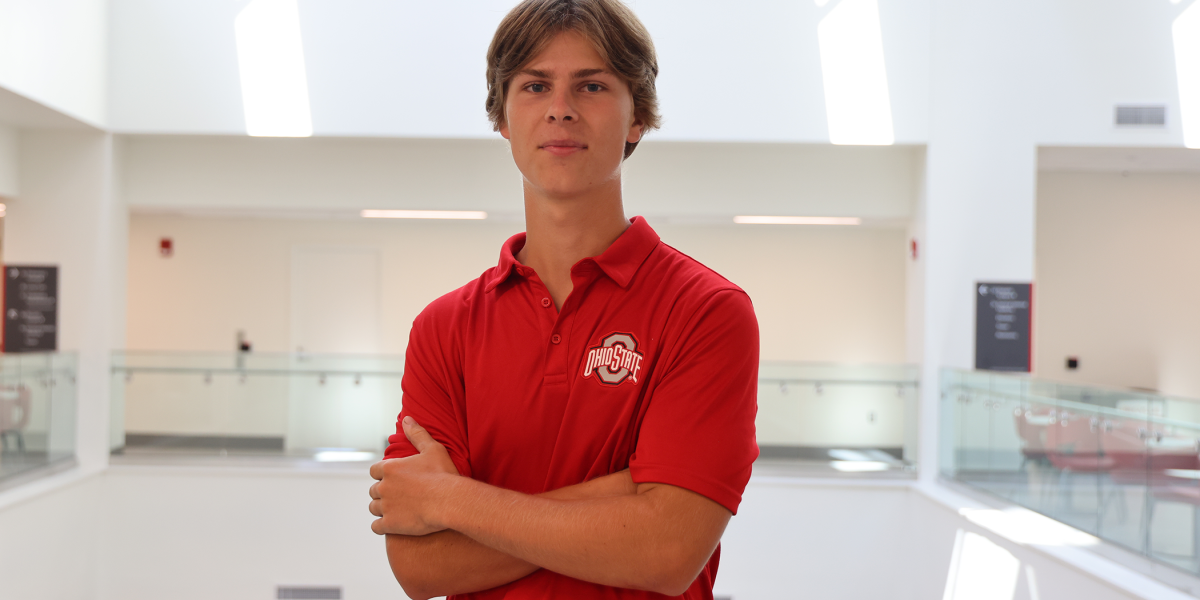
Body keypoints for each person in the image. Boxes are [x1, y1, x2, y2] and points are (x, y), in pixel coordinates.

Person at [368, 1, 759, 598]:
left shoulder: (706, 312)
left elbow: (666, 551)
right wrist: (627, 497)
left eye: (593, 84)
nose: (561, 108)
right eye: (535, 85)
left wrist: (452, 501)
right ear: (502, 117)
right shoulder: (442, 328)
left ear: (639, 117)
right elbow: (422, 569)